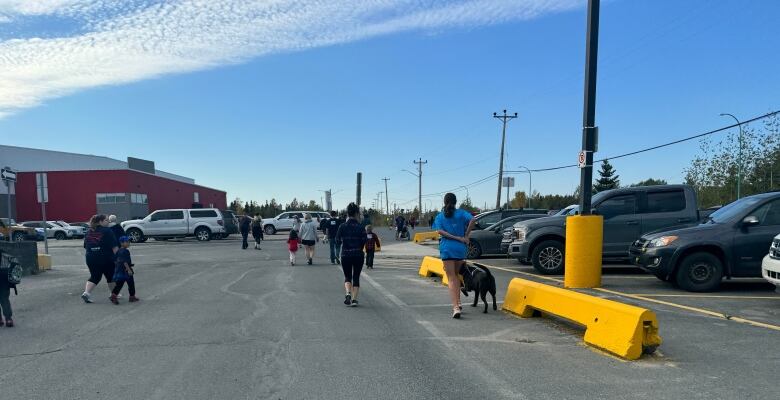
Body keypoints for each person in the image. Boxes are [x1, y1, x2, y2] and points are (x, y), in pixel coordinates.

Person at [433, 193, 477, 319]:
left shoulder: (440, 216)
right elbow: (473, 220)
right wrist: (465, 236)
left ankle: (456, 307)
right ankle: (458, 302)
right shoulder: (462, 213)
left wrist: (454, 237)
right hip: (460, 249)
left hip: (447, 249)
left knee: (451, 278)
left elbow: (440, 231)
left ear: (444, 202)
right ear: (455, 202)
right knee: (456, 276)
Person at [81, 214, 119, 303]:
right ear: (100, 222)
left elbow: (86, 246)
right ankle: (114, 294)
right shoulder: (107, 231)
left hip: (90, 258)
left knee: (95, 276)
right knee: (110, 276)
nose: (108, 221)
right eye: (106, 220)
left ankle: (86, 293)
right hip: (106, 258)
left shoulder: (89, 232)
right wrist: (118, 258)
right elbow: (114, 246)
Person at [335, 203, 367, 307]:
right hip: (358, 254)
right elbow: (364, 241)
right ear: (357, 213)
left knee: (347, 276)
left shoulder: (342, 226)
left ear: (347, 213)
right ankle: (354, 299)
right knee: (356, 276)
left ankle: (348, 293)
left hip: (345, 255)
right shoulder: (361, 227)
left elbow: (337, 241)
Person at [110, 236, 139, 304]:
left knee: (119, 284)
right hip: (125, 270)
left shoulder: (119, 250)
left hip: (119, 269)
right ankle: (132, 297)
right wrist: (128, 269)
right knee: (131, 284)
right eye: (127, 242)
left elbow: (115, 260)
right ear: (121, 243)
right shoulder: (125, 251)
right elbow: (124, 261)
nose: (129, 243)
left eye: (129, 241)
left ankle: (113, 296)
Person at [0, 258, 14, 327]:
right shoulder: (5, 255)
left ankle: (1, 320)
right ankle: (8, 319)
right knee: (5, 300)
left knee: (5, 299)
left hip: (3, 280)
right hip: (4, 280)